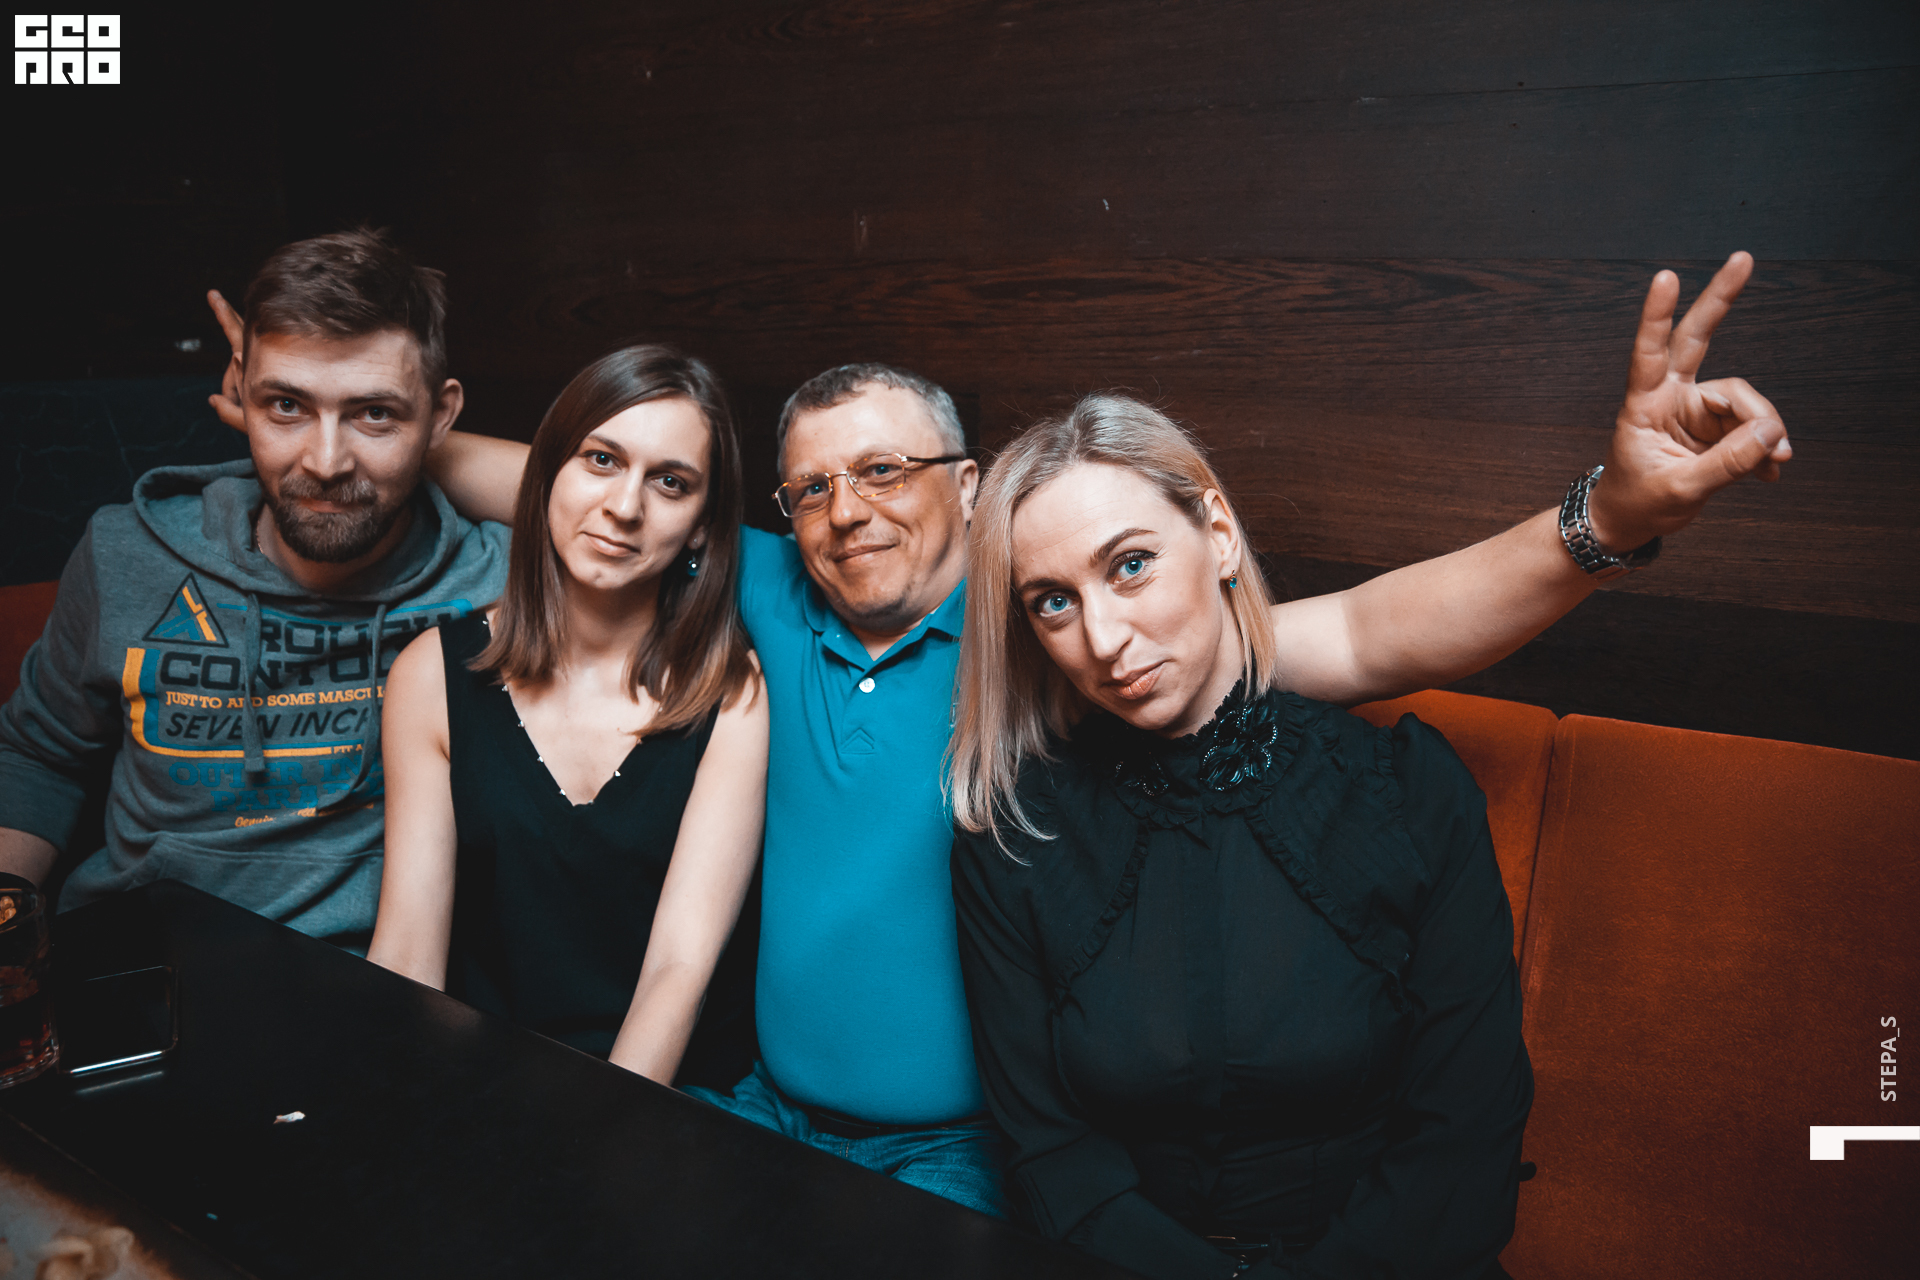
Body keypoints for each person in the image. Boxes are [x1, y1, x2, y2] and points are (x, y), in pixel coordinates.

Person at [292, 253, 1789, 1215]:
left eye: (887, 471)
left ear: (970, 481)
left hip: (974, 1155)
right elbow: (570, 480)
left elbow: (1377, 632)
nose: (847, 512)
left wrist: (1610, 516)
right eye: (812, 489)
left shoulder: (1052, 632)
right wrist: (364, 432)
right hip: (759, 1108)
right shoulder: (758, 586)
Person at [949, 395, 1533, 1278]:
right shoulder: (1015, 833)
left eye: (1132, 565)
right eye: (1055, 602)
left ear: (1218, 536)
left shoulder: (1409, 793)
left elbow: (1464, 1143)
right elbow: (1051, 1157)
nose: (1103, 638)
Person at [0, 229, 508, 950]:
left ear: (443, 415)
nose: (325, 462)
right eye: (287, 406)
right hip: (148, 960)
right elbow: (38, 755)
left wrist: (407, 427)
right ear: (242, 390)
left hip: (378, 981)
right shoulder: (127, 553)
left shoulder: (496, 580)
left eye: (375, 413)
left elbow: (668, 529)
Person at [364, 345, 767, 1089]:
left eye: (671, 482)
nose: (625, 507)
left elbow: (679, 968)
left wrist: (600, 1132)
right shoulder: (431, 674)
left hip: (667, 1096)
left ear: (701, 527)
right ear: (548, 472)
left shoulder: (731, 690)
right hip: (482, 1079)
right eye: (601, 460)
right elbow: (408, 951)